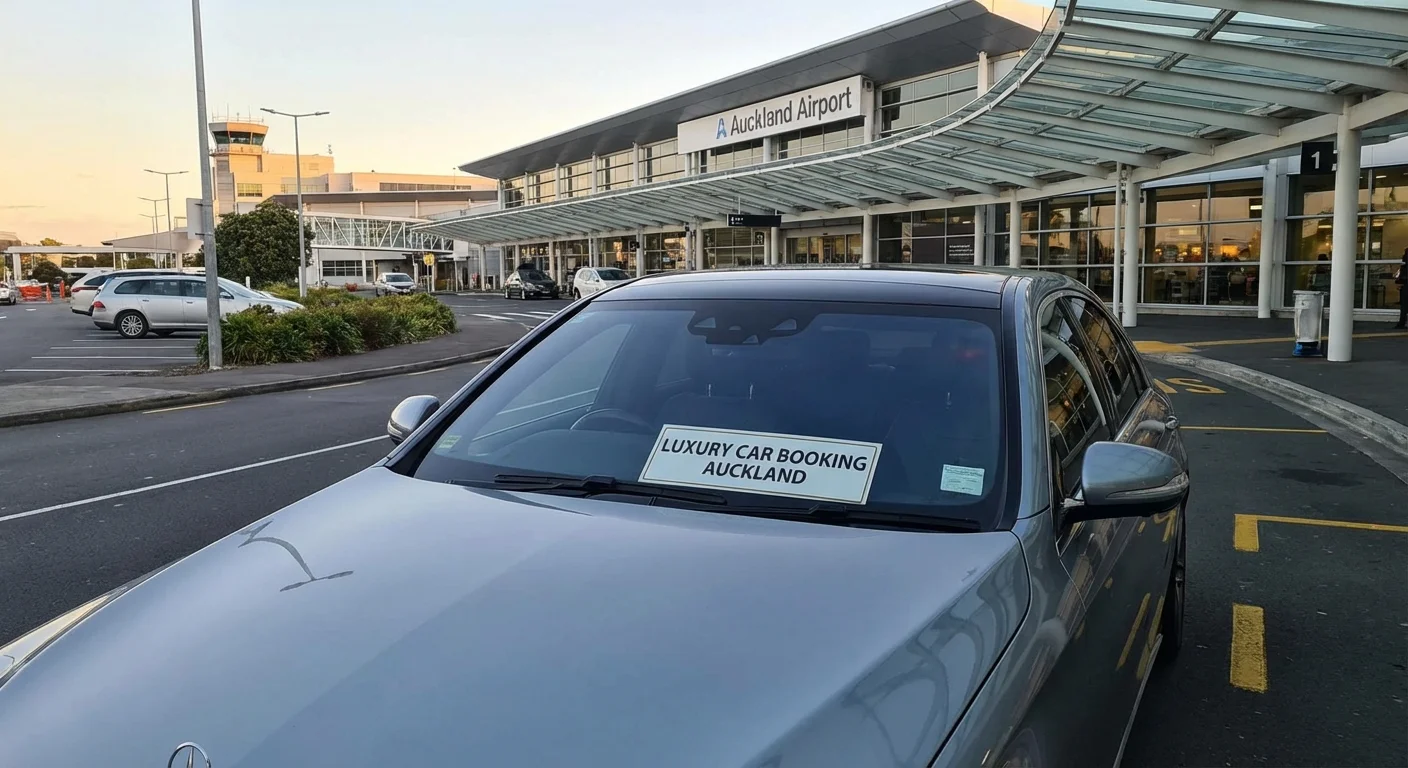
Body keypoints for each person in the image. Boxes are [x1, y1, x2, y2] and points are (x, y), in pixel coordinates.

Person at [1394, 246, 1407, 329]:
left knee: (1404, 307)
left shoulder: (1404, 265)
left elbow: (1398, 276)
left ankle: (1402, 323)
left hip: (1405, 286)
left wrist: (1399, 282)